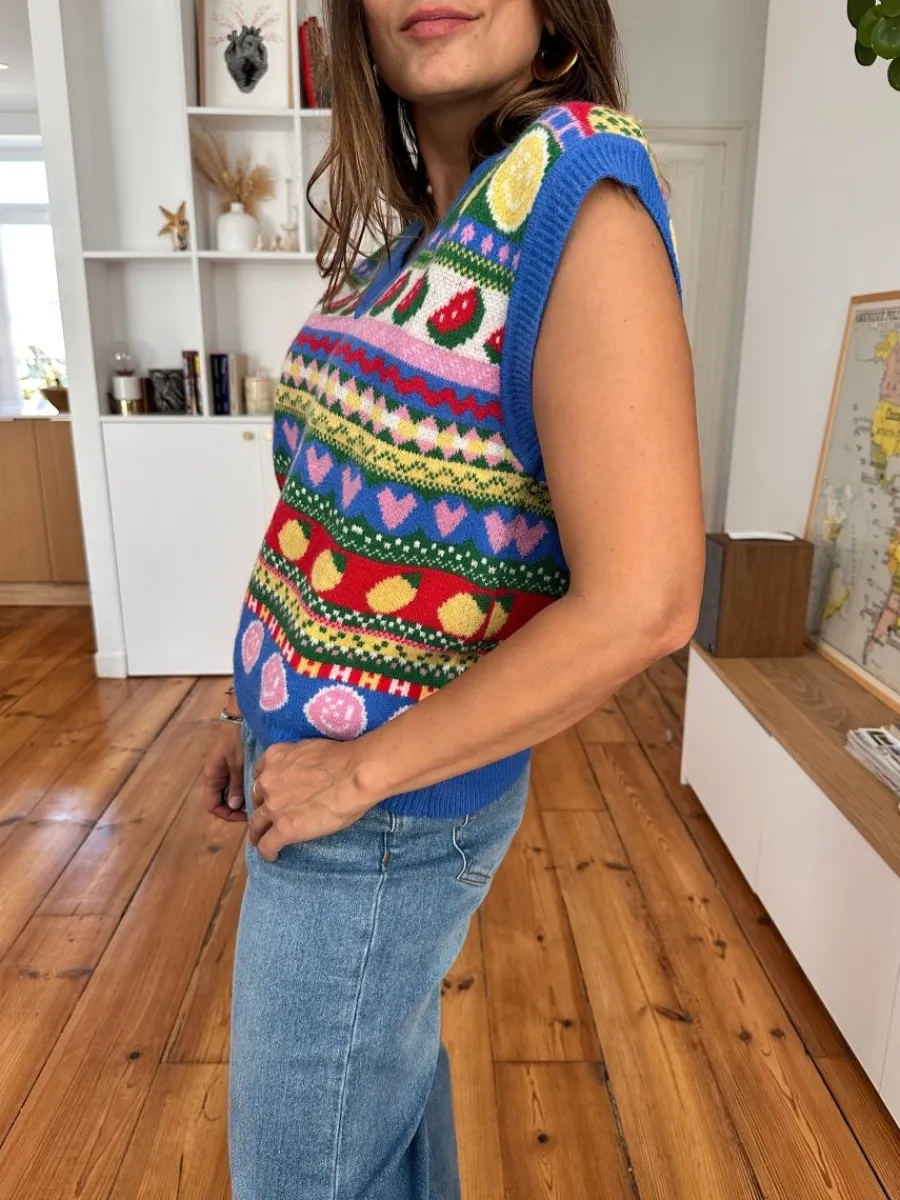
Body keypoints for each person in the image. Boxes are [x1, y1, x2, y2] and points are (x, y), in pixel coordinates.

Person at [203, 1, 704, 1196]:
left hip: (376, 817)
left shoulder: (577, 196)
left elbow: (647, 600)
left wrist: (357, 775)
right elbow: (328, 514)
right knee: (379, 1140)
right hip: (332, 784)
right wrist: (250, 708)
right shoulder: (430, 237)